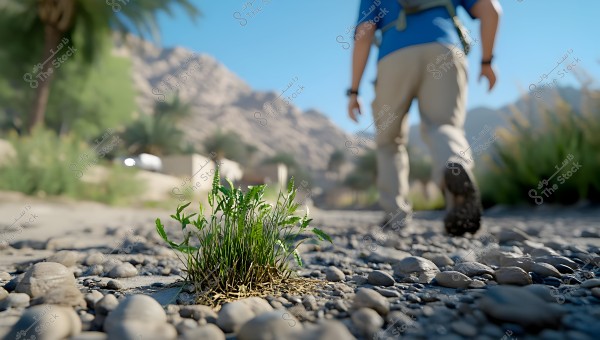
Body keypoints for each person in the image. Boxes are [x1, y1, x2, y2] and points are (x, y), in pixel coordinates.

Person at [347, 0, 501, 236]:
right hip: (444, 48)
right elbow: (491, 11)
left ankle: (395, 216)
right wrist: (487, 61)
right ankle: (456, 171)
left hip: (394, 56)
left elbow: (363, 34)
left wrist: (354, 90)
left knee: (389, 141)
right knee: (444, 125)